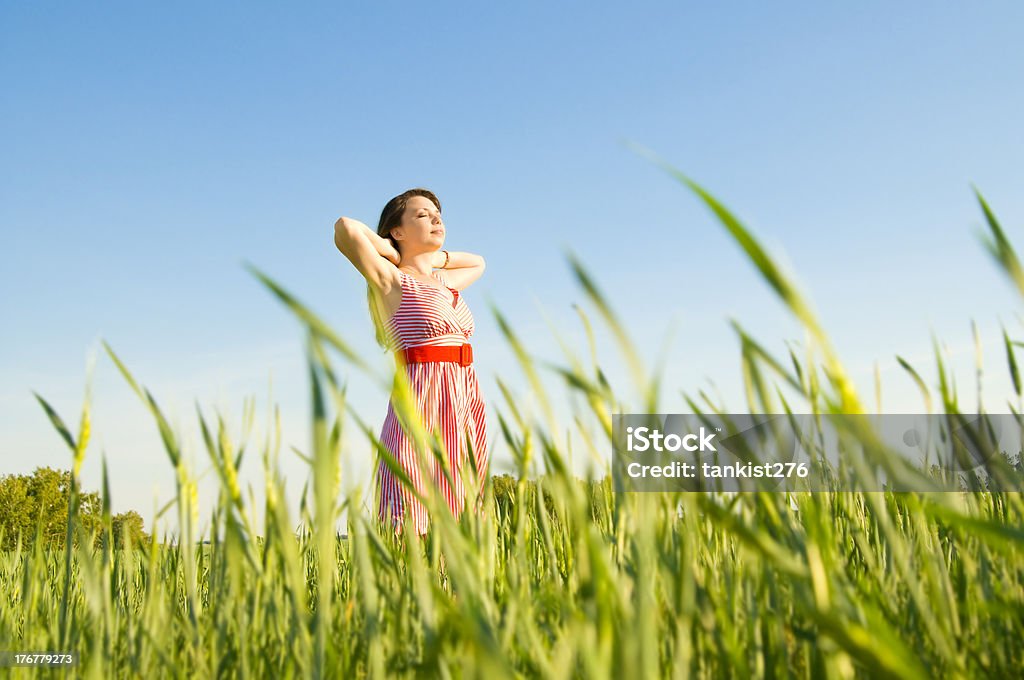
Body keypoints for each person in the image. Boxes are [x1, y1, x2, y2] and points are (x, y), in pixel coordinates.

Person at [333, 188, 489, 536]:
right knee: (412, 493)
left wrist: (432, 259)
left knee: (460, 502)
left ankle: (454, 585)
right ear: (397, 230)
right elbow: (345, 228)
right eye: (422, 214)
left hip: (462, 398)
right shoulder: (391, 280)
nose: (436, 219)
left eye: (438, 214)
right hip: (422, 397)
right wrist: (390, 250)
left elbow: (479, 262)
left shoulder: (444, 282)